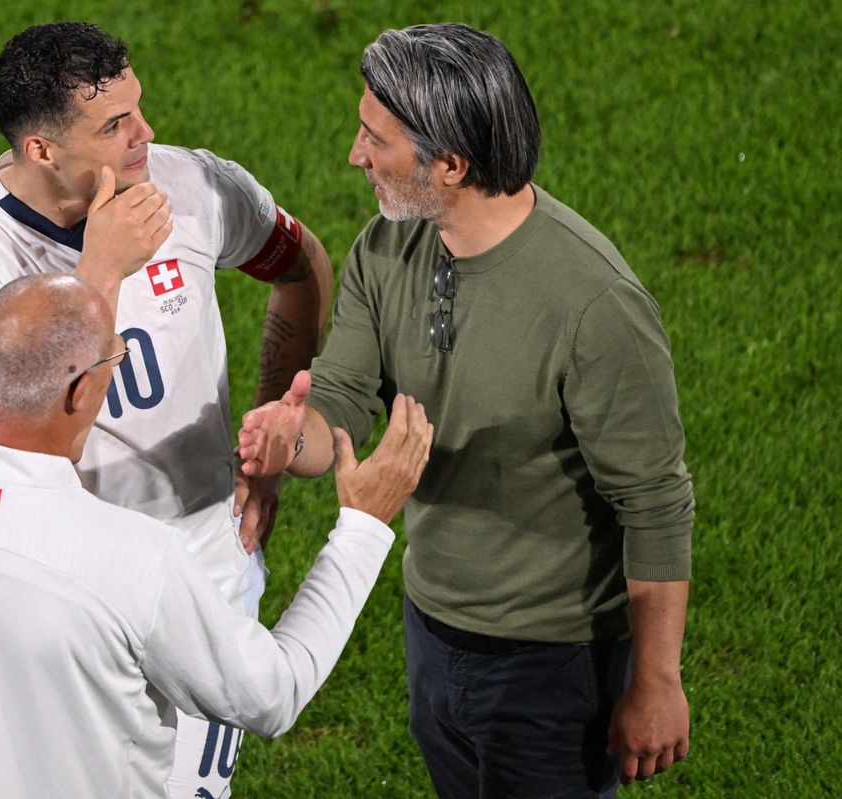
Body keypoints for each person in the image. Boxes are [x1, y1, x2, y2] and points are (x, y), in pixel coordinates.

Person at [238, 23, 695, 798]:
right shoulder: (388, 247)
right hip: (433, 628)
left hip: (553, 666)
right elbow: (344, 394)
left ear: (450, 164)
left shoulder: (594, 307)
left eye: (374, 139)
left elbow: (653, 502)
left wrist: (656, 680)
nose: (355, 154)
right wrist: (294, 438)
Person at [0, 274, 432, 798]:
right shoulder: (134, 558)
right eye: (113, 358)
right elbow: (272, 694)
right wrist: (362, 528)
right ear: (80, 392)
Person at [0, 25, 332, 792]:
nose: (147, 136)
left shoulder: (193, 184)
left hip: (206, 557)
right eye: (114, 127)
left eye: (137, 109)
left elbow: (300, 265)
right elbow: (34, 408)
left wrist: (273, 432)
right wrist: (102, 265)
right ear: (42, 150)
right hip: (59, 571)